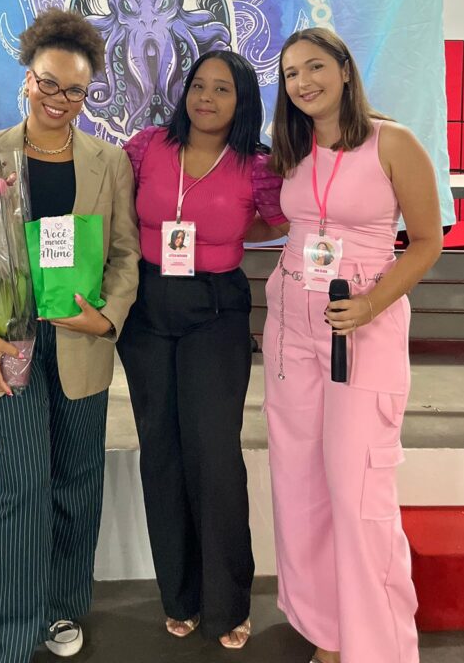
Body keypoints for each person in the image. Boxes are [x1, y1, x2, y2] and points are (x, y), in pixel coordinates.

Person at [0, 8, 139, 663]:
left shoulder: (109, 162)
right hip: (8, 342)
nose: (59, 98)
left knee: (77, 482)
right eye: (48, 83)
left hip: (81, 342)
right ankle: (8, 633)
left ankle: (60, 607)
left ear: (89, 94)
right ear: (27, 78)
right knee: (22, 483)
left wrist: (106, 317)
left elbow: (125, 255)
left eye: (74, 89)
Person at [263, 28, 443, 663]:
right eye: (291, 74)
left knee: (357, 489)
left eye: (315, 66)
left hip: (361, 326)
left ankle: (378, 646)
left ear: (344, 69)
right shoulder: (294, 149)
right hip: (291, 329)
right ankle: (329, 632)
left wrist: (369, 304)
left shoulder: (393, 142)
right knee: (299, 485)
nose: (303, 82)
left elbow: (427, 241)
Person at [120, 51, 287, 649]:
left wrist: (228, 232)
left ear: (242, 102)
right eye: (198, 85)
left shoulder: (256, 165)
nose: (206, 98)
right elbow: (117, 209)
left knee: (214, 453)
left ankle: (227, 603)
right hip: (146, 307)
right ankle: (181, 595)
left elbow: (276, 220)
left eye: (222, 89)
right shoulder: (147, 147)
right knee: (160, 449)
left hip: (215, 311)